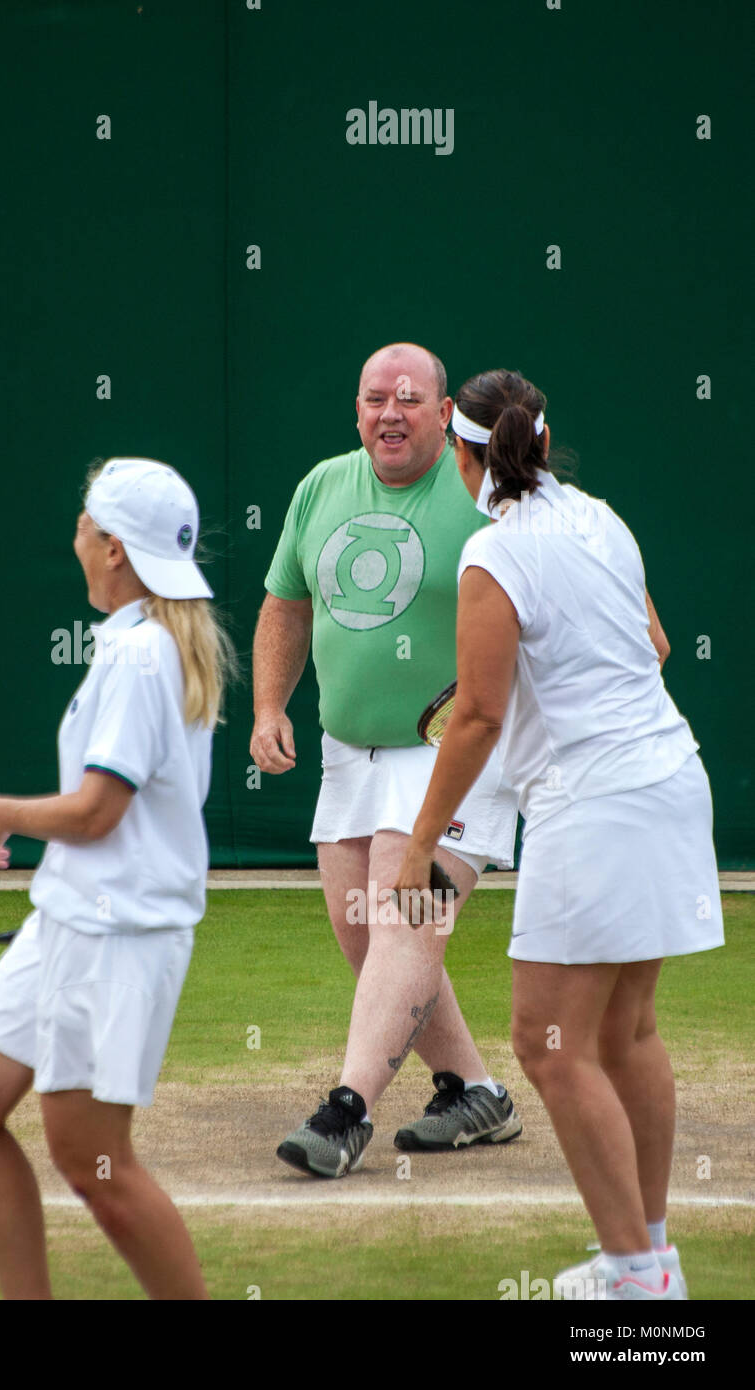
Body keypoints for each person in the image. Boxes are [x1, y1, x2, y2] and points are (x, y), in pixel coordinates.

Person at [394, 368, 723, 1300]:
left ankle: (633, 1274)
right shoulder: (602, 518)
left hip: (596, 806)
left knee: (545, 1044)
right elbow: (651, 646)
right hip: (670, 782)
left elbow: (478, 720)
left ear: (462, 455)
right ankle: (652, 1258)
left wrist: (421, 842)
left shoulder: (493, 557)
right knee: (626, 1034)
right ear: (540, 442)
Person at [0, 457, 235, 1300]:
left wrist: (2, 814)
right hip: (66, 921)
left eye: (82, 525)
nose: (74, 538)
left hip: (119, 938)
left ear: (111, 549)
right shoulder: (142, 643)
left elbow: (99, 812)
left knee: (95, 1164)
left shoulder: (141, 657)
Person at [252, 342, 523, 1178]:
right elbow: (285, 604)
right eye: (376, 399)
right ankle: (476, 1092)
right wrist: (269, 707)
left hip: (455, 751)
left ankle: (346, 1113)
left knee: (408, 920)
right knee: (368, 935)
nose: (390, 414)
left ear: (446, 415)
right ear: (357, 409)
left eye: (411, 400)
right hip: (348, 752)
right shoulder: (321, 486)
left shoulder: (487, 495)